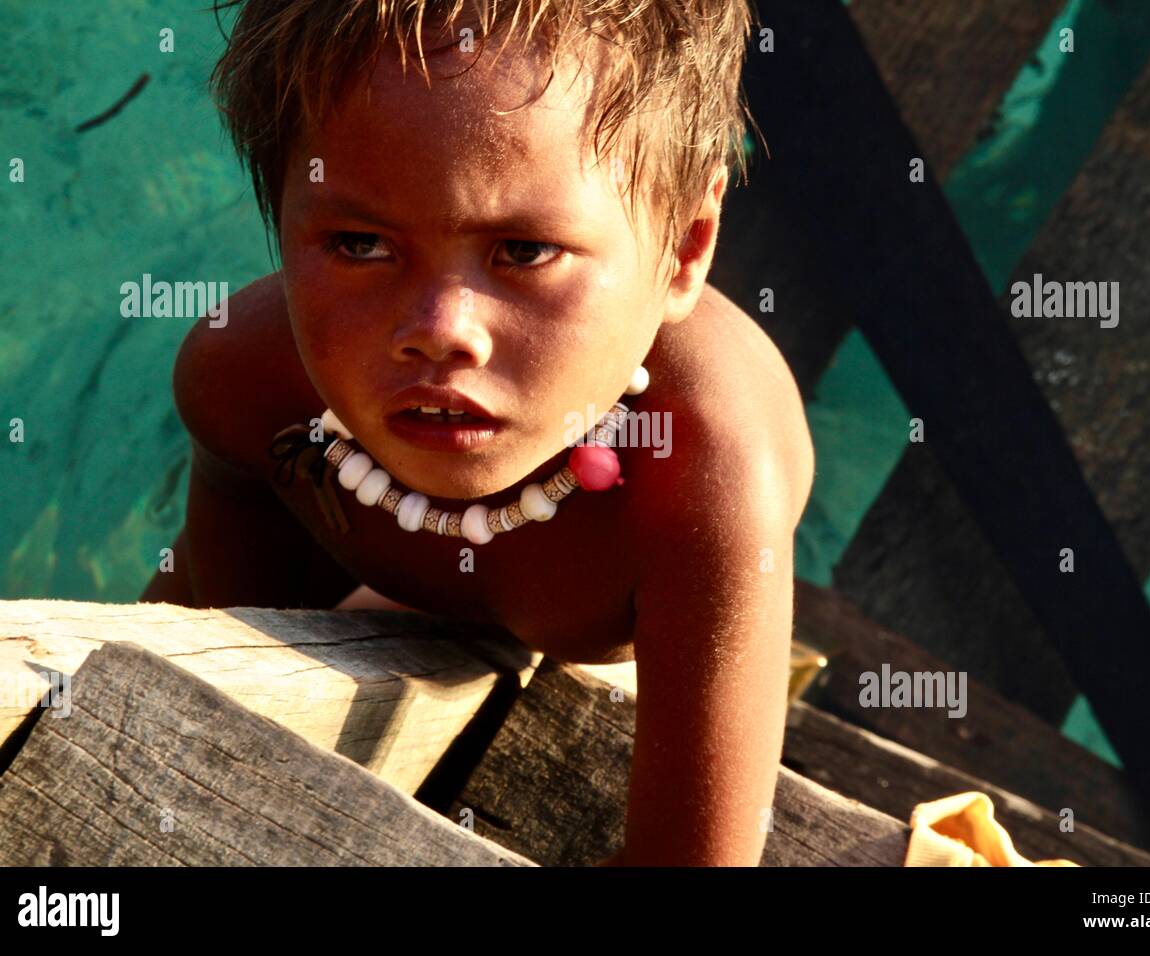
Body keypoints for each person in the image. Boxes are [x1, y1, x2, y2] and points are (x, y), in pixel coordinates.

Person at [141, 0, 814, 866]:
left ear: (685, 249)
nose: (439, 329)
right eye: (357, 243)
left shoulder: (704, 482)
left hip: (664, 610)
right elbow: (201, 675)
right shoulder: (249, 387)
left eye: (524, 252)